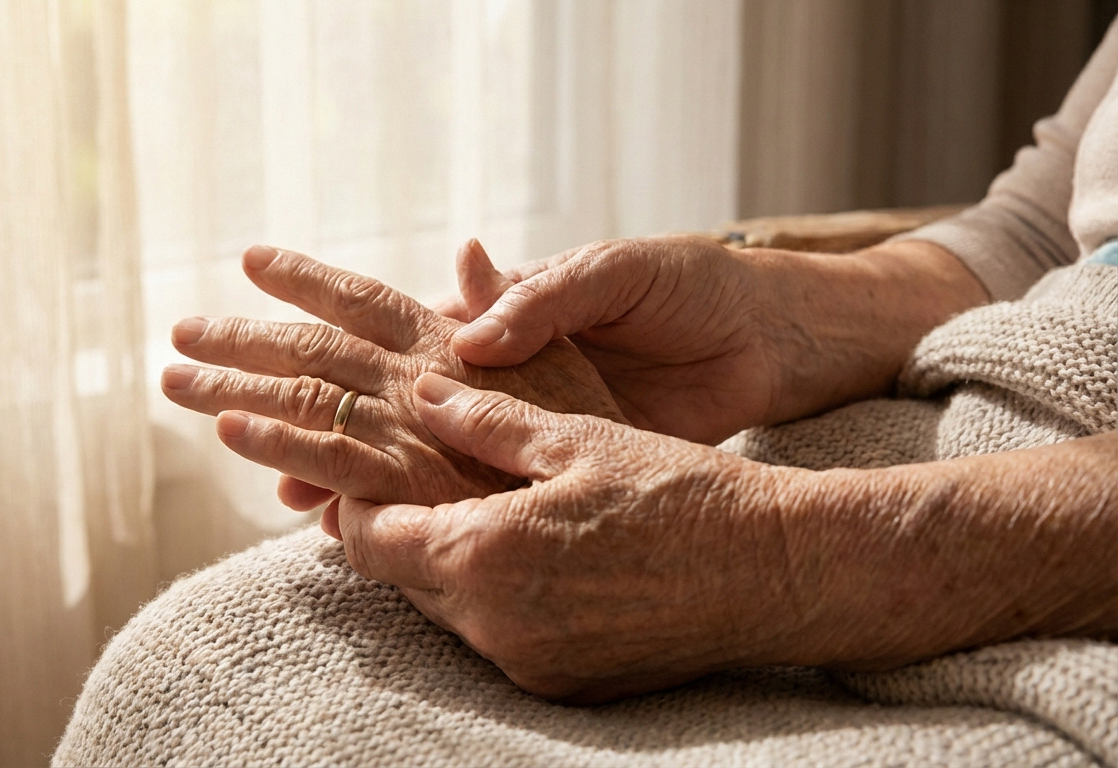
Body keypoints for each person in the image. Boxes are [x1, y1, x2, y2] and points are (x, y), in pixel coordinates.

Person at [54, 19, 1118, 768]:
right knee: (191, 666)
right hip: (983, 409)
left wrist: (782, 561)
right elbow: (1038, 228)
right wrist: (777, 320)